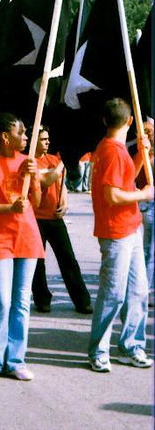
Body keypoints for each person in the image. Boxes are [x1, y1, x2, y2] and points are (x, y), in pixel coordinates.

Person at [0, 111, 45, 387]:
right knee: (3, 301)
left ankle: (16, 360)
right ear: (5, 136)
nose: (26, 137)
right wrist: (8, 207)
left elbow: (36, 202)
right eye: (22, 133)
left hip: (27, 237)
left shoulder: (28, 162)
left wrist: (35, 178)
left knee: (21, 302)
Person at [88, 98, 154, 372]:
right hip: (116, 232)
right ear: (129, 121)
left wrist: (142, 155)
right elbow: (113, 195)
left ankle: (131, 345)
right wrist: (143, 194)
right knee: (113, 293)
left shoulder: (114, 149)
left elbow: (124, 179)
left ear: (105, 121)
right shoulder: (112, 151)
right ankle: (98, 350)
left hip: (130, 227)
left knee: (138, 290)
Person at [31, 126, 92, 314]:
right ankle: (42, 299)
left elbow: (60, 184)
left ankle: (82, 300)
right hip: (36, 218)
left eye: (48, 139)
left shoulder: (53, 159)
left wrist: (64, 203)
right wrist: (62, 163)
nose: (47, 142)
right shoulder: (31, 162)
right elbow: (47, 180)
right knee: (37, 263)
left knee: (68, 259)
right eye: (43, 139)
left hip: (54, 217)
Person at [133, 120, 154, 305]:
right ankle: (145, 290)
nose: (148, 134)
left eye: (150, 131)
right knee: (149, 250)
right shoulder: (142, 153)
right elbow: (134, 176)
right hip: (148, 204)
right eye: (144, 131)